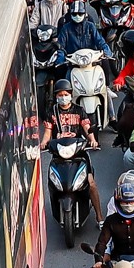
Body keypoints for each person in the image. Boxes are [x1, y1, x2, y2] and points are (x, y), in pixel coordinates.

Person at [42, 80, 105, 220]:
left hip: (79, 153)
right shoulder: (51, 112)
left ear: (70, 95)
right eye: (60, 95)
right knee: (53, 182)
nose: (63, 97)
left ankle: (100, 217)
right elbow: (47, 132)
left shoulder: (79, 110)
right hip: (58, 153)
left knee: (92, 184)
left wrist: (93, 140)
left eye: (66, 94)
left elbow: (87, 128)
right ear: (56, 97)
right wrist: (43, 143)